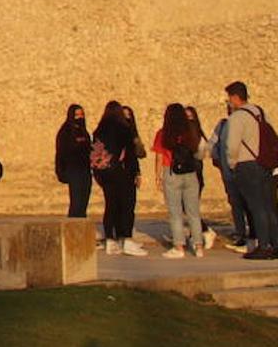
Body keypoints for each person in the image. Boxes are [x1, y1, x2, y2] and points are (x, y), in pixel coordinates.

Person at [224, 81, 278, 260]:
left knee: (256, 208)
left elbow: (232, 145)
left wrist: (232, 163)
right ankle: (275, 244)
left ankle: (263, 246)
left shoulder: (237, 117)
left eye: (229, 99)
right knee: (269, 206)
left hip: (247, 164)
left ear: (235, 97)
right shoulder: (259, 112)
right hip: (264, 163)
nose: (229, 102)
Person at [92, 101, 147, 256]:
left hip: (104, 173)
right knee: (127, 206)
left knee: (111, 205)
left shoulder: (99, 130)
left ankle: (110, 240)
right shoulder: (123, 129)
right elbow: (132, 153)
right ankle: (126, 239)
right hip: (122, 173)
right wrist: (136, 172)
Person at [153, 103, 207, 259]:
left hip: (171, 173)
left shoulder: (163, 133)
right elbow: (199, 152)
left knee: (175, 213)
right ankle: (198, 247)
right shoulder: (190, 132)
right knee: (194, 212)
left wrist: (157, 176)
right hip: (191, 174)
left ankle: (179, 246)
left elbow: (159, 156)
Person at [209, 105, 251, 252]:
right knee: (238, 204)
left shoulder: (243, 125)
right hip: (233, 173)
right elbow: (212, 147)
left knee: (248, 204)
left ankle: (251, 236)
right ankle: (242, 234)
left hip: (241, 171)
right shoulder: (222, 125)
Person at [185, 106, 217, 250]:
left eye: (190, 117)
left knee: (190, 208)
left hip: (194, 174)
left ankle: (205, 231)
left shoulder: (197, 136)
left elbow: (201, 154)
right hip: (190, 173)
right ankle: (195, 234)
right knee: (189, 207)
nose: (188, 120)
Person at [55, 104, 93, 218]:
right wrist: (60, 170)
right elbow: (61, 152)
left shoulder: (84, 132)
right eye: (77, 115)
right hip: (73, 170)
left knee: (84, 200)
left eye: (81, 115)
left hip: (85, 170)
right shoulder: (65, 132)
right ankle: (73, 226)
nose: (80, 117)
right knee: (76, 202)